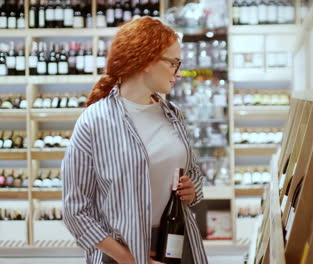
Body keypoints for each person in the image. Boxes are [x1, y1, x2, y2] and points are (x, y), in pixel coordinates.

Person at [62, 17, 208, 264]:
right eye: (174, 63)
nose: (179, 72)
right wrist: (130, 259)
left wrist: (192, 191)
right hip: (120, 255)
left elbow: (194, 175)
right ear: (147, 60)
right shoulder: (94, 121)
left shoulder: (174, 115)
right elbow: (76, 211)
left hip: (179, 246)